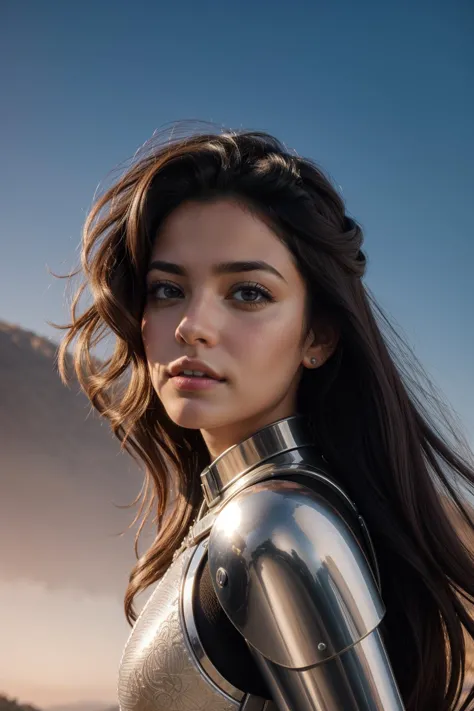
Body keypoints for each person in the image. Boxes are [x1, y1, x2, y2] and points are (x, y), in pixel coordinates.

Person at [57, 124, 474, 710]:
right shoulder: (252, 513)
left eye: (248, 293)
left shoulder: (276, 529)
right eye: (167, 289)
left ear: (319, 336)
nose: (191, 325)